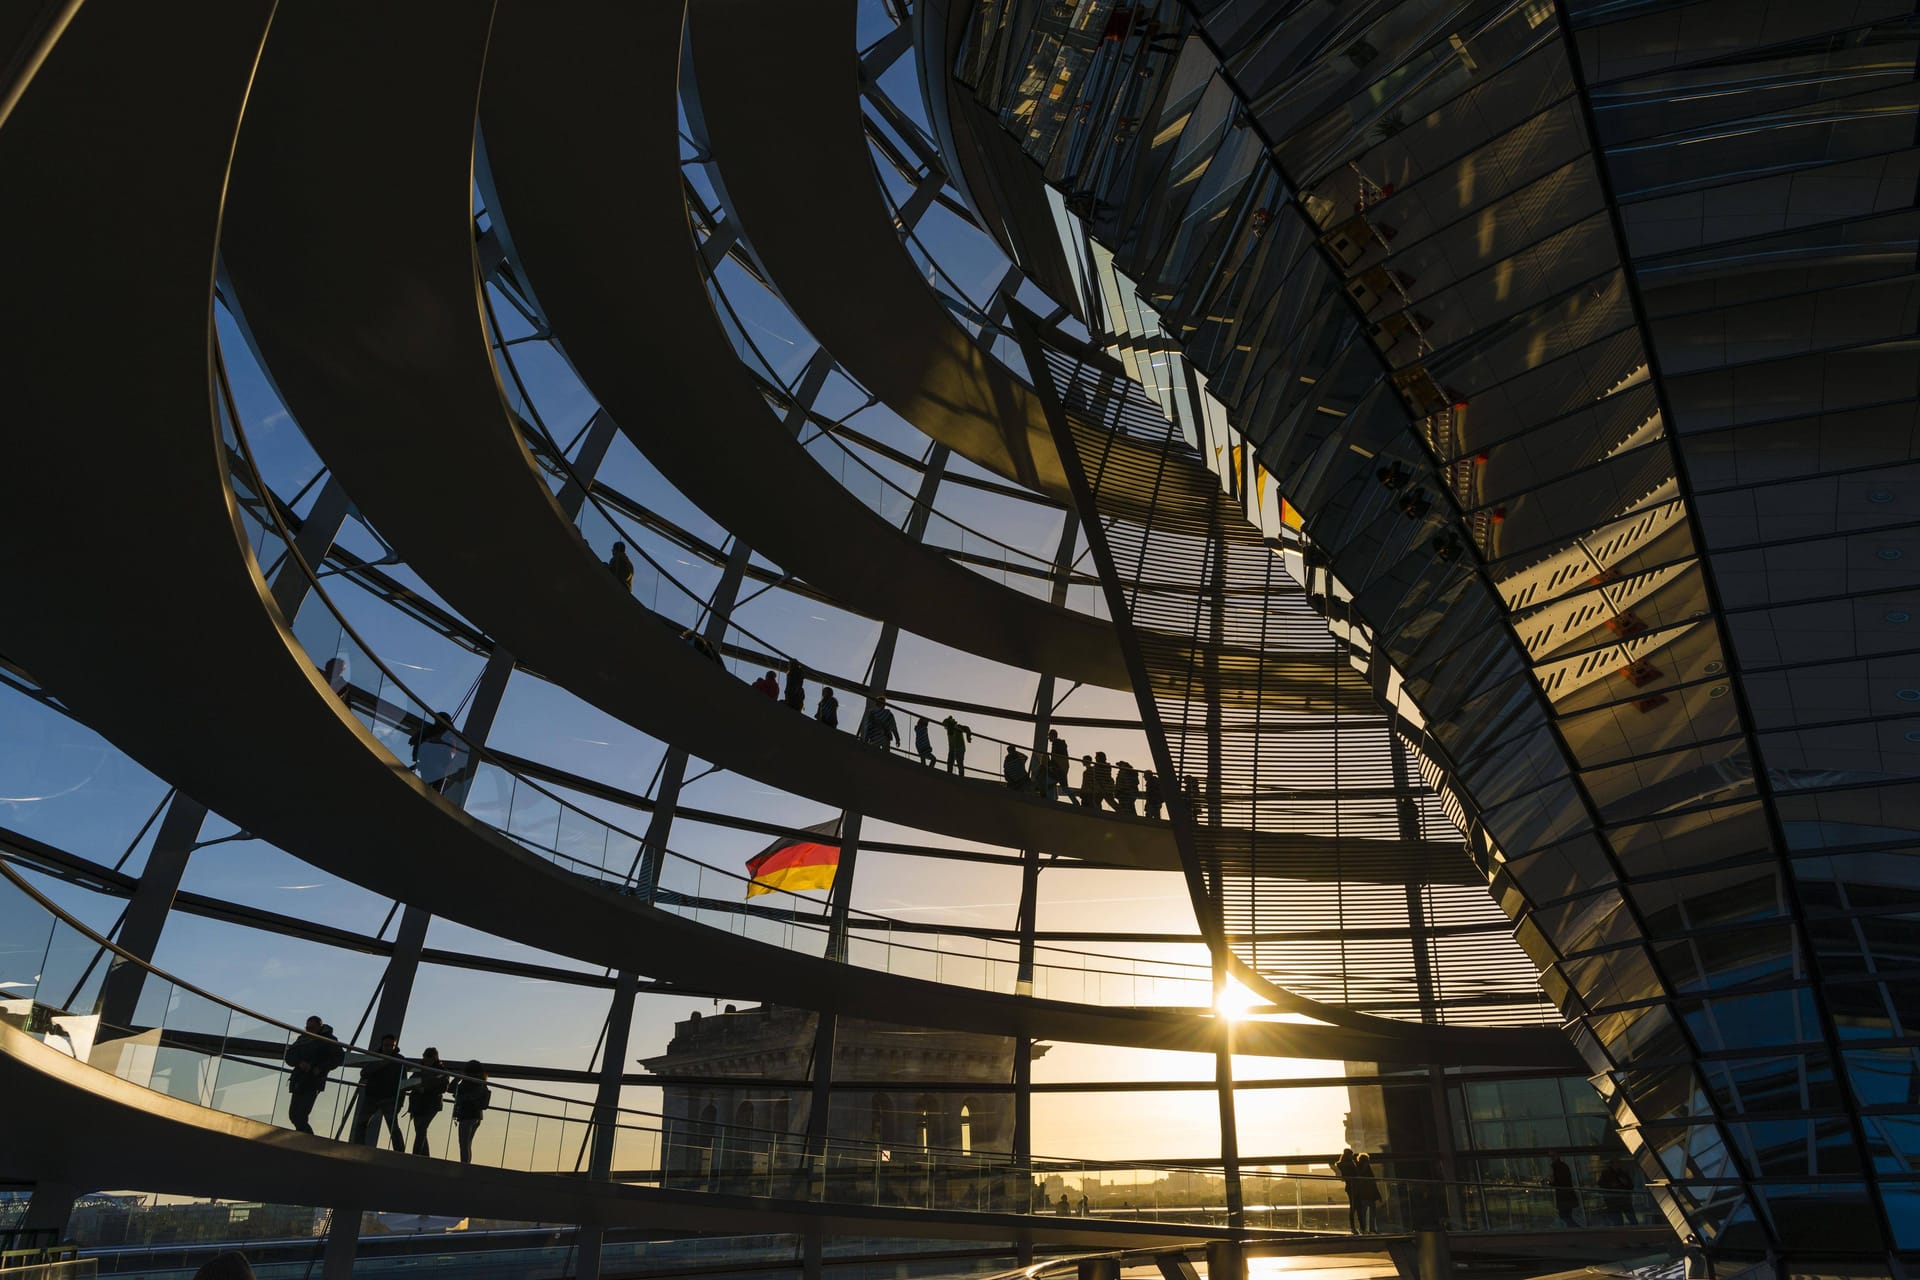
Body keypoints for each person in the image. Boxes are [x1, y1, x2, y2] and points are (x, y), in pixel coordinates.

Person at [283, 1014, 344, 1136]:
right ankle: (306, 1138)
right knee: (294, 1114)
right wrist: (300, 1063)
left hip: (313, 1081)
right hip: (299, 1080)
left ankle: (307, 1139)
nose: (309, 1030)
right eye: (308, 1028)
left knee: (300, 1114)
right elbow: (289, 1056)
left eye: (312, 1028)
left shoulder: (329, 1040)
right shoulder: (302, 1039)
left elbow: (338, 1058)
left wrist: (320, 1068)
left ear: (320, 1028)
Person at [351, 1033, 406, 1150]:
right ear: (382, 1045)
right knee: (362, 1123)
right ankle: (357, 1147)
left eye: (391, 1046)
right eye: (386, 1045)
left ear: (394, 1046)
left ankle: (400, 1152)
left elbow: (403, 1083)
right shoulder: (375, 1056)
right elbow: (364, 1073)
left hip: (388, 1098)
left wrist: (399, 1102)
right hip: (373, 1097)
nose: (388, 1048)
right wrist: (380, 1064)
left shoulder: (399, 1060)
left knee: (393, 1127)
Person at [406, 1047, 450, 1158]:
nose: (426, 1060)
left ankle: (416, 1156)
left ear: (434, 1058)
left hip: (430, 1104)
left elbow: (442, 1088)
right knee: (420, 1130)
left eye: (429, 1058)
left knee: (421, 1129)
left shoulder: (440, 1071)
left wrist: (424, 1089)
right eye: (426, 1057)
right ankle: (425, 1157)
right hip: (420, 1103)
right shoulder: (425, 1069)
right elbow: (411, 1082)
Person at [451, 1060, 492, 1164]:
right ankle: (466, 1164)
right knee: (467, 1143)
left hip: (467, 1115)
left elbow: (451, 1089)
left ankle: (464, 1165)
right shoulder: (481, 1082)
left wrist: (457, 1078)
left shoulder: (468, 1082)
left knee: (464, 1143)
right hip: (476, 1116)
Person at [410, 711, 461, 792]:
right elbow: (414, 740)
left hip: (437, 762)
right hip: (433, 761)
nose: (436, 721)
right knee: (433, 785)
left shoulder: (446, 732)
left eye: (437, 720)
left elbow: (414, 740)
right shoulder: (432, 730)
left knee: (432, 785)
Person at [1597, 1159, 1633, 1225]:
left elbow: (1631, 1186)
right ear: (1612, 1164)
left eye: (1619, 1163)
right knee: (1618, 1220)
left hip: (1623, 1199)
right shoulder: (1606, 1173)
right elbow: (1601, 1184)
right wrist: (1611, 1185)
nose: (1618, 1164)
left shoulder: (1623, 1172)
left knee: (1631, 1217)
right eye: (1616, 1163)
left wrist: (1625, 1183)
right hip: (1613, 1200)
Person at [1334, 1147, 1361, 1234]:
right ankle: (1359, 1227)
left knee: (1353, 1206)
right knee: (1357, 1206)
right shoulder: (1350, 1164)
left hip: (1349, 1186)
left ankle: (1353, 1227)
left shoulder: (1340, 1164)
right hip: (1354, 1186)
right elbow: (1356, 1174)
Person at [1549, 1151, 1578, 1226]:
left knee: (1564, 1216)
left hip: (1564, 1197)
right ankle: (1575, 1230)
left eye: (1553, 1156)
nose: (1551, 1158)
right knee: (1566, 1216)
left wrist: (1551, 1182)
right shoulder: (1562, 1166)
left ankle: (1576, 1230)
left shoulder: (1558, 1167)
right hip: (1566, 1196)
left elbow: (1560, 1182)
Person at [1354, 1153, 1381, 1233]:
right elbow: (1372, 1182)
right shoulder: (1360, 1169)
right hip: (1366, 1195)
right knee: (1366, 1213)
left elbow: (1372, 1182)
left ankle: (1368, 1229)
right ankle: (1366, 1229)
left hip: (1367, 1195)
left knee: (1367, 1213)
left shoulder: (1360, 1169)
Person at [1047, 730, 1071, 801]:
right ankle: (1053, 799)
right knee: (1055, 784)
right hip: (1061, 768)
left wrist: (1051, 764)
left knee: (1062, 786)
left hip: (1058, 768)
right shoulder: (1060, 743)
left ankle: (1052, 799)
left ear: (1052, 735)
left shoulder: (1056, 744)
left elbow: (1055, 757)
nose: (1049, 738)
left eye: (1049, 736)